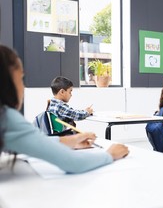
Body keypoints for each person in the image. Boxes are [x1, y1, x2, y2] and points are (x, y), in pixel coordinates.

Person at [0, 44, 129, 174]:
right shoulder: (6, 118)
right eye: (21, 79)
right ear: (6, 82)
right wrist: (110, 154)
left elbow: (35, 143)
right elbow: (72, 162)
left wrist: (72, 140)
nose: (23, 87)